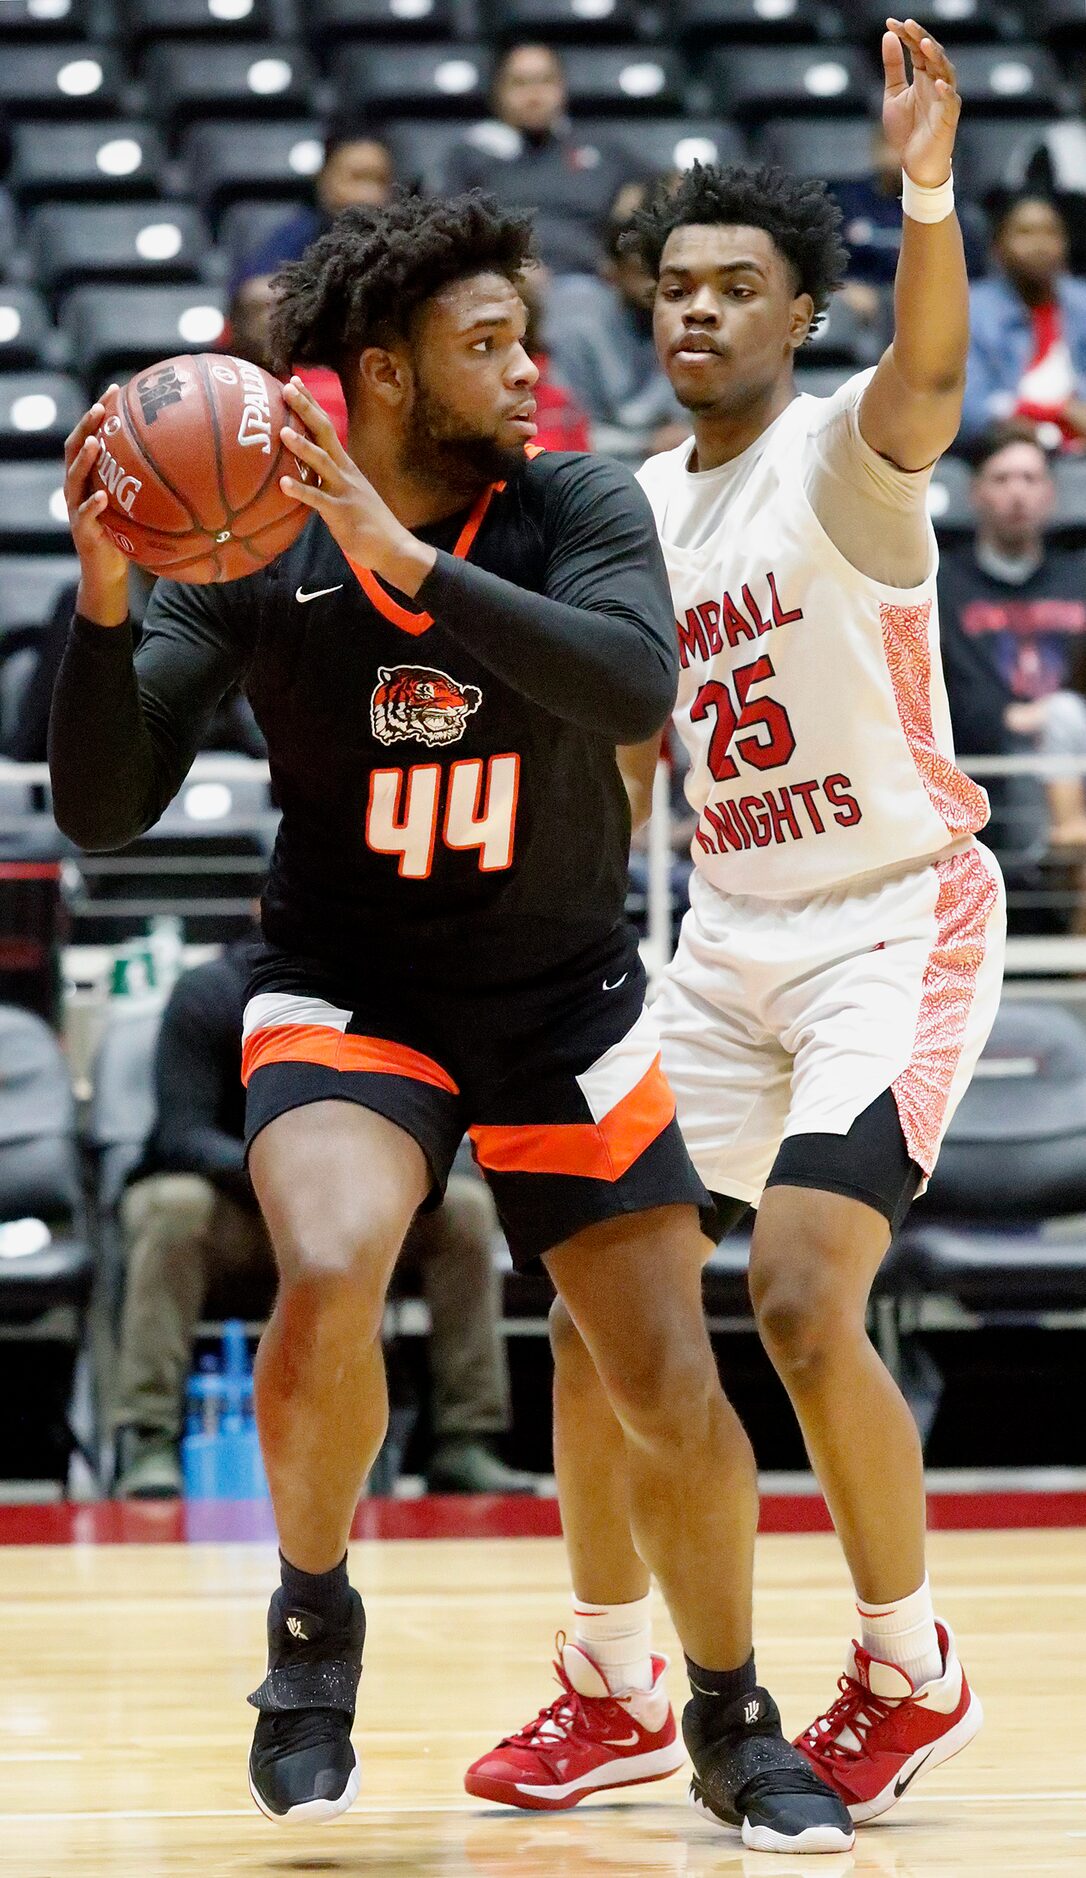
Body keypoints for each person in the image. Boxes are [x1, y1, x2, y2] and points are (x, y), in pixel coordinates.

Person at [51, 193, 852, 1851]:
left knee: (659, 1377)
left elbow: (636, 688)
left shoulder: (572, 504)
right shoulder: (255, 544)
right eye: (487, 344)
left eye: (528, 338)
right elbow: (104, 807)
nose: (530, 371)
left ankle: (724, 1709)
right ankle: (312, 1622)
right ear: (385, 376)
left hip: (561, 991)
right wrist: (111, 599)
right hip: (357, 983)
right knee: (335, 1260)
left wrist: (404, 561)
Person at [472, 19, 1005, 1829]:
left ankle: (908, 1660)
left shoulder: (849, 451)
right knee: (597, 1297)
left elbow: (933, 366)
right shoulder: (633, 509)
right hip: (722, 938)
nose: (694, 311)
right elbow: (630, 751)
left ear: (796, 315)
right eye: (674, 286)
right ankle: (615, 1678)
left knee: (790, 1290)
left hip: (891, 922)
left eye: (736, 288)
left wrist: (924, 183)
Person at [111, 937, 535, 1500]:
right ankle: (149, 1440)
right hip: (243, 1210)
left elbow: (438, 1122)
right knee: (170, 1209)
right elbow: (181, 1134)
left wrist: (378, 1181)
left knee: (462, 1211)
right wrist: (298, 1178)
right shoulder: (210, 993)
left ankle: (466, 1441)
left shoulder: (389, 992)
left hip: (358, 1208)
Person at [939, 421, 1086, 853]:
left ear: (1051, 493)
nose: (1017, 493)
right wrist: (1015, 720)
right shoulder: (942, 583)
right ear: (975, 494)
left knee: (1064, 720)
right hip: (992, 769)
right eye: (1001, 479)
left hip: (1079, 745)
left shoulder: (1080, 575)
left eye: (1030, 478)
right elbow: (947, 690)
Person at [440, 44, 644, 279]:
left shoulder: (600, 148)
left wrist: (636, 201)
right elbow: (449, 232)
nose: (534, 95)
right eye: (520, 83)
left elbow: (665, 184)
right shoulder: (470, 153)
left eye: (545, 80)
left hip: (582, 279)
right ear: (497, 92)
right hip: (501, 279)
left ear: (562, 87)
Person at [548, 184, 690, 461]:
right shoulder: (578, 331)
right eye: (641, 272)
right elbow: (572, 432)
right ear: (612, 271)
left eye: (663, 273)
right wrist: (646, 443)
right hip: (602, 463)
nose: (654, 285)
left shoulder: (687, 320)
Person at [835, 119, 987, 335]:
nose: (902, 153)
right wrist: (842, 288)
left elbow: (971, 274)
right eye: (893, 143)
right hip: (864, 308)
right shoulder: (847, 201)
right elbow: (823, 267)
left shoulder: (950, 203)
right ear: (877, 147)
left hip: (932, 309)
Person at [962, 195, 1086, 450]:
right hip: (999, 451)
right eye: (1025, 232)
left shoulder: (1081, 303)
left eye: (1050, 232)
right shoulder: (971, 309)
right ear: (998, 246)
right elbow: (967, 408)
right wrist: (1057, 411)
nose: (1039, 244)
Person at [233, 116, 395, 289]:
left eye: (380, 180)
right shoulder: (294, 236)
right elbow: (257, 291)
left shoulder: (398, 245)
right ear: (323, 177)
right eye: (356, 177)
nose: (368, 194)